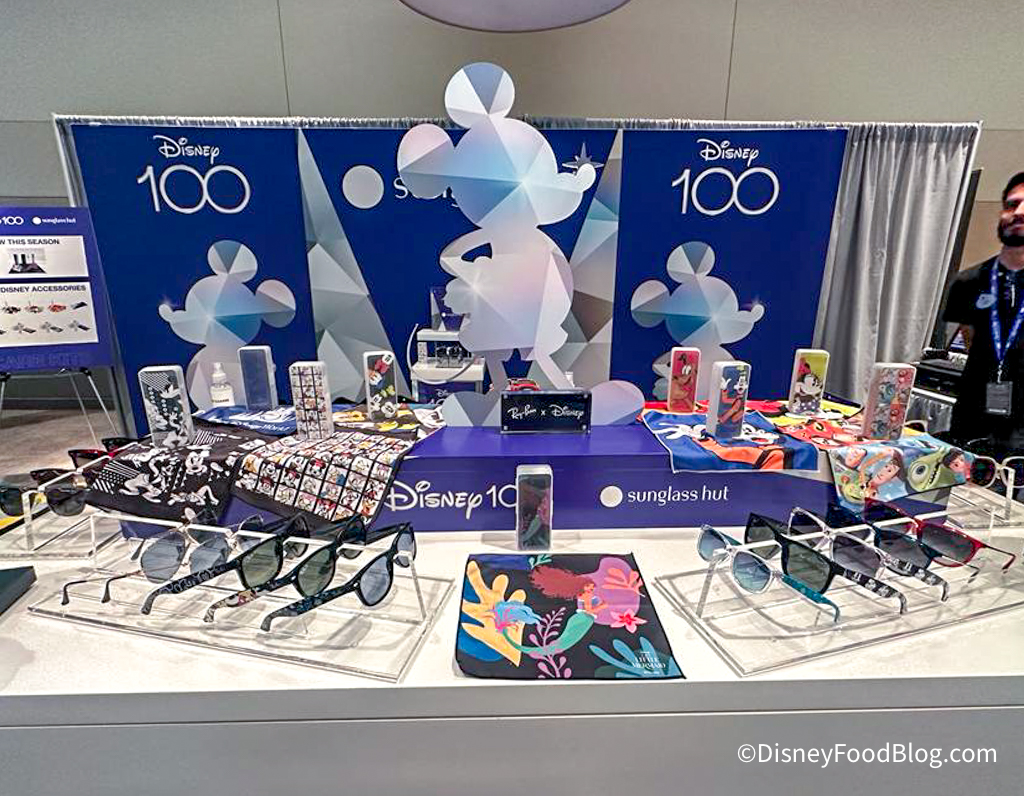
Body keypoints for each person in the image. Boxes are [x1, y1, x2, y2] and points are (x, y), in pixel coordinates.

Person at [942, 172, 1024, 453]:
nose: (1019, 212)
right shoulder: (968, 281)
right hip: (971, 418)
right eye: (1012, 204)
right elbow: (970, 341)